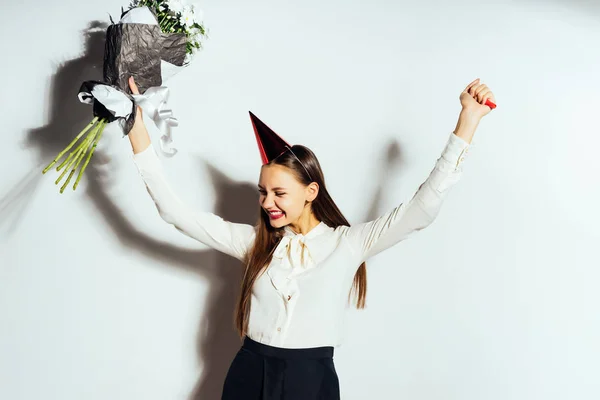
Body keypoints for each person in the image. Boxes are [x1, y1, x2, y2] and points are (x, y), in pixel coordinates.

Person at [126, 76, 495, 399]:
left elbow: (421, 209)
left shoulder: (348, 244)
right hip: (248, 374)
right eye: (262, 192)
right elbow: (175, 213)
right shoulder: (254, 244)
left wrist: (467, 121)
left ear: (311, 191)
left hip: (311, 381)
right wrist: (137, 134)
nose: (267, 203)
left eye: (279, 193)